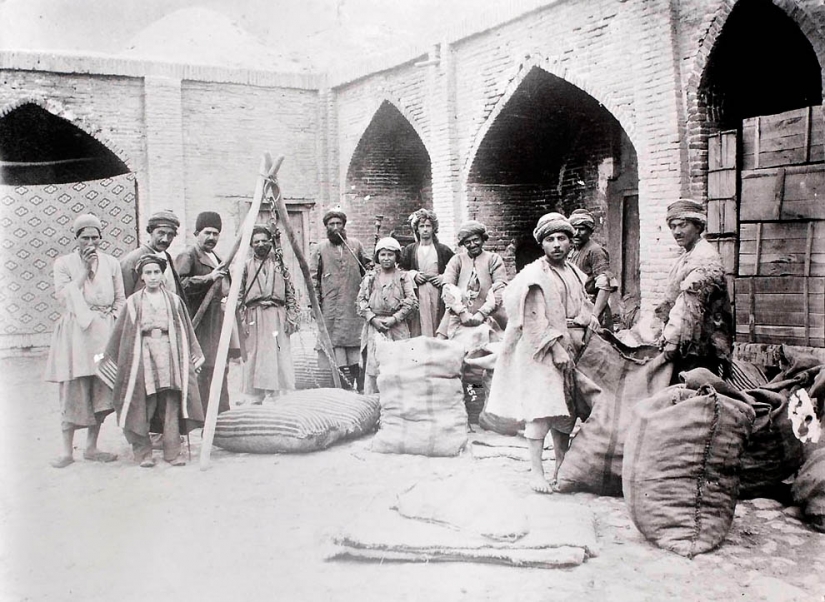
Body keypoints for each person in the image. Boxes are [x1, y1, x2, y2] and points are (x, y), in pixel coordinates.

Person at [485, 213, 596, 493]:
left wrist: (586, 321)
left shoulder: (573, 272)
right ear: (542, 244)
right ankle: (537, 472)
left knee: (565, 410)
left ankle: (561, 466)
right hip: (541, 350)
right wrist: (556, 348)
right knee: (541, 409)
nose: (556, 244)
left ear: (571, 242)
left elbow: (584, 303)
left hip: (571, 346)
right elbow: (533, 318)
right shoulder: (535, 275)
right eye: (550, 239)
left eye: (562, 238)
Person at [97, 254, 205, 467]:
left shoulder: (174, 301)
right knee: (142, 402)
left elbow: (186, 331)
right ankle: (143, 452)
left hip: (169, 353)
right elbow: (121, 334)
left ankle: (172, 452)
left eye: (157, 272)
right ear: (142, 277)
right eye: (148, 273)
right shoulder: (133, 303)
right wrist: (105, 357)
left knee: (170, 402)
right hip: (142, 355)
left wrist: (191, 356)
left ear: (162, 275)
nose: (153, 277)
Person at [44, 214, 125, 468]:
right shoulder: (64, 263)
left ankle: (91, 446)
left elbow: (121, 298)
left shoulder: (112, 263)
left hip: (103, 331)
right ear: (76, 238)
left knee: (101, 385)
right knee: (73, 386)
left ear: (101, 237)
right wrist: (85, 271)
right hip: (75, 335)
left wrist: (112, 322)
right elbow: (64, 297)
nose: (90, 242)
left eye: (95, 237)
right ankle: (67, 451)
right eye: (84, 237)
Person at [655, 199, 733, 378]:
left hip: (700, 346)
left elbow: (688, 304)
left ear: (698, 227)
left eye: (682, 225)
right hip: (692, 340)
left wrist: (673, 340)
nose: (676, 232)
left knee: (694, 389)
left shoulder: (704, 259)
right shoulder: (687, 255)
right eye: (672, 226)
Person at [175, 211, 232, 416]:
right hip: (199, 322)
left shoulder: (217, 257)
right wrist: (208, 277)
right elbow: (180, 286)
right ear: (196, 233)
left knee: (220, 367)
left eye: (216, 233)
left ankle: (223, 416)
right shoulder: (188, 255)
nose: (211, 238)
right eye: (207, 232)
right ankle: (201, 418)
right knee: (204, 369)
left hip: (217, 321)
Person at [309, 208, 370, 389]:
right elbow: (313, 278)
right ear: (326, 227)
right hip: (331, 306)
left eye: (339, 224)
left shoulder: (356, 245)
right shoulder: (320, 248)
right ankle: (342, 386)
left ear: (344, 226)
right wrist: (314, 305)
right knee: (335, 344)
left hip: (353, 304)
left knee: (354, 342)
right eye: (331, 224)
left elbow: (367, 267)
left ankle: (360, 385)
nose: (335, 227)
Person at [239, 225, 300, 403]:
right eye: (256, 241)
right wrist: (242, 320)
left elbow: (290, 292)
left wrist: (291, 317)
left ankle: (276, 394)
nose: (260, 244)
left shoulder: (280, 265)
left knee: (278, 352)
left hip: (277, 314)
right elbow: (240, 295)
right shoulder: (245, 267)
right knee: (255, 354)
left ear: (270, 242)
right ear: (251, 245)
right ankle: (256, 395)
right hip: (254, 315)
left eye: (264, 240)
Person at [357, 237, 418, 394]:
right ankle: (374, 403)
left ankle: (398, 403)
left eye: (390, 255)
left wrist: (394, 319)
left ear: (396, 256)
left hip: (397, 328)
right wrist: (373, 319)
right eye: (382, 254)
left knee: (399, 366)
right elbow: (361, 301)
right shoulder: (370, 278)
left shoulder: (404, 277)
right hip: (375, 328)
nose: (386, 258)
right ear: (377, 257)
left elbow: (411, 301)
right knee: (375, 365)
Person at [436, 220, 507, 341]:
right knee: (442, 347)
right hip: (458, 315)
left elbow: (500, 288)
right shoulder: (457, 260)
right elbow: (447, 288)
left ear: (482, 239)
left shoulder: (494, 259)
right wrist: (461, 312)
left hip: (490, 314)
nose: (473, 244)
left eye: (476, 240)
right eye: (467, 242)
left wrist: (482, 313)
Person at [399, 208, 454, 337]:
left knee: (437, 320)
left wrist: (443, 278)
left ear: (434, 228)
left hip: (438, 292)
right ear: (416, 229)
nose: (425, 229)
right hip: (417, 292)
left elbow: (455, 269)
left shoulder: (443, 249)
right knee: (419, 323)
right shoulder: (410, 249)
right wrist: (414, 275)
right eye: (421, 226)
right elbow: (400, 270)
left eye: (428, 226)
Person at [120, 209, 187, 300]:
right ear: (150, 231)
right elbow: (124, 298)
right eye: (161, 233)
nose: (165, 239)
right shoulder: (133, 259)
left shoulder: (168, 257)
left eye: (170, 235)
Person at [568, 208, 616, 329]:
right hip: (579, 310)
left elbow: (605, 285)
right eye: (574, 228)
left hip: (594, 313)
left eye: (582, 229)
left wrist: (594, 315)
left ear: (590, 231)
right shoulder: (573, 250)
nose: (577, 233)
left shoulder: (595, 251)